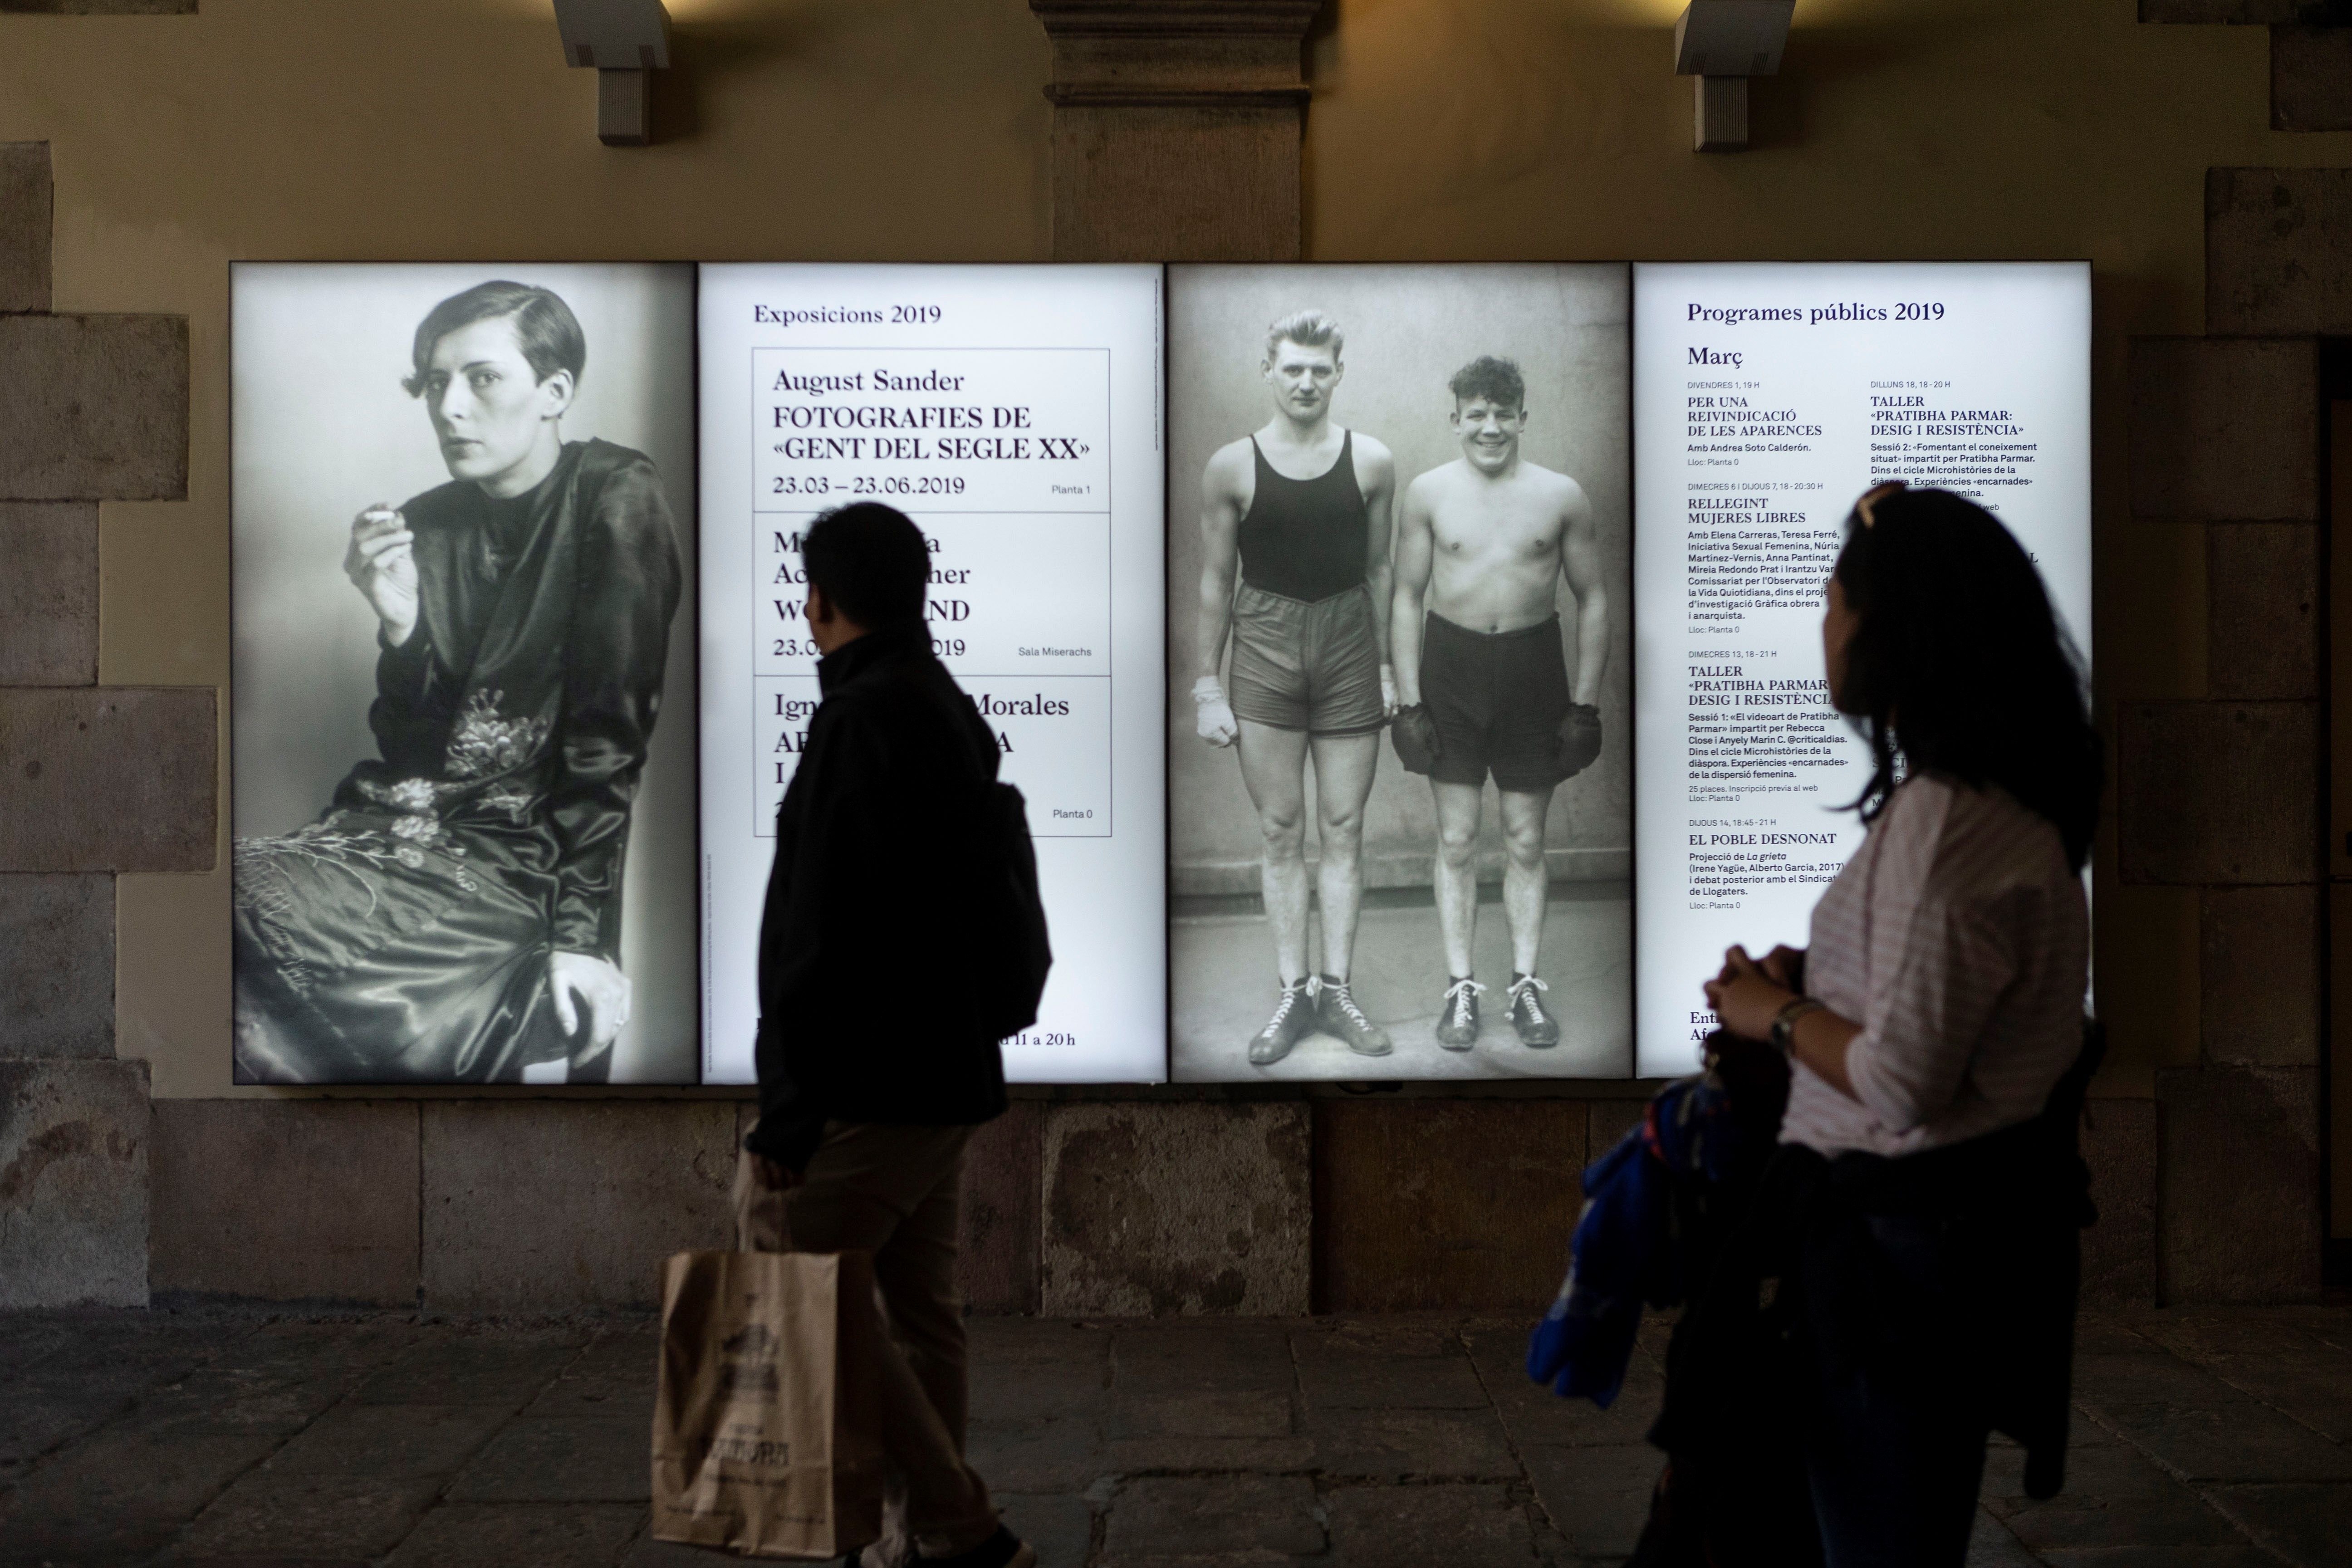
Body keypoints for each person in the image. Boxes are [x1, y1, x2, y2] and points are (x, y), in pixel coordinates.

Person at [1701, 483, 2099, 1567]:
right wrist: (1812, 981)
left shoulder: (1946, 820)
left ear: (1891, 627)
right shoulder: (1991, 804)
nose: (1823, 627)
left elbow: (1908, 1076)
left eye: (1833, 601)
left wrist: (1771, 1013)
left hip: (1902, 1262)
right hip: (1925, 1248)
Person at [231, 280, 681, 1084]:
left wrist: (581, 940)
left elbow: (608, 746)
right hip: (396, 831)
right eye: (436, 384)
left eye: (482, 378)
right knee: (217, 904)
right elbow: (414, 752)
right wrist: (401, 626)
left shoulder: (615, 496)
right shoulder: (429, 521)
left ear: (555, 392)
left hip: (521, 866)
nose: (450, 408)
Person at [737, 502, 1033, 1568]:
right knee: (919, 1311)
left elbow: (823, 928)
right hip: (948, 1066)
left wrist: (788, 1109)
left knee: (794, 1267)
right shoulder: (943, 705)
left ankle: (956, 1519)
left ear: (817, 602)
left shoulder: (861, 719)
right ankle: (924, 1539)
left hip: (878, 1077)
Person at [1192, 309, 1400, 1066]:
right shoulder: (1232, 467)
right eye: (1293, 368)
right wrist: (1205, 689)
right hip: (1267, 648)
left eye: (1321, 370)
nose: (1307, 381)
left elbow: (1381, 573)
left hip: (1349, 645)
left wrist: (1388, 669)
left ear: (1338, 375)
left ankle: (1336, 990)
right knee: (1282, 830)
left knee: (1343, 828)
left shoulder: (1372, 461)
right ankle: (1292, 990)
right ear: (1269, 371)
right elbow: (1216, 582)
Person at [1389, 355, 1608, 1052]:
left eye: (1502, 413)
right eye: (1475, 414)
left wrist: (1586, 705)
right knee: (1455, 840)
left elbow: (1595, 598)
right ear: (1456, 419)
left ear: (1523, 416)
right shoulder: (1427, 493)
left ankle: (1524, 984)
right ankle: (1460, 988)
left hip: (1531, 672)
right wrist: (1408, 701)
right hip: (1450, 670)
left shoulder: (1561, 495)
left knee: (1525, 839)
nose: (1489, 426)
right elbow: (1404, 598)